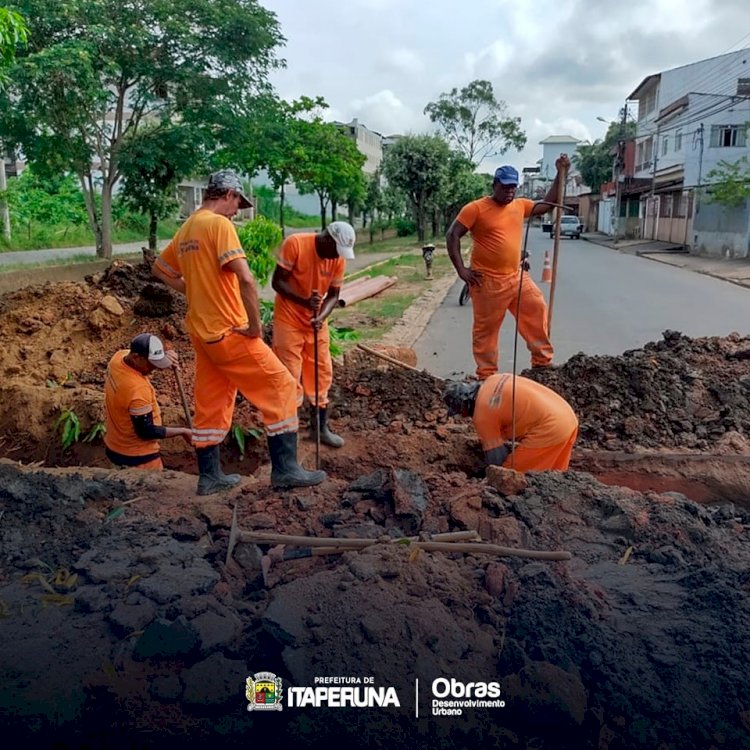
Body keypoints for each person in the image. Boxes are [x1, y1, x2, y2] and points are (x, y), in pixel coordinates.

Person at [152, 169, 326, 494]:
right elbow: (246, 279)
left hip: (203, 336)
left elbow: (160, 269)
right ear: (228, 194)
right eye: (237, 203)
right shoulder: (219, 224)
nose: (237, 210)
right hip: (230, 330)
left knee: (211, 402)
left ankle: (210, 477)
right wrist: (256, 326)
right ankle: (286, 470)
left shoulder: (187, 228)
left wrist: (194, 291)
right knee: (283, 388)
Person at [446, 154, 571, 379]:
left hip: (516, 276)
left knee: (536, 308)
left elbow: (548, 205)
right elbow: (452, 234)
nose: (509, 192)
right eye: (505, 187)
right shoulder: (475, 208)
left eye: (513, 187)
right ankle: (486, 374)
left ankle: (541, 362)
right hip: (488, 282)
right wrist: (462, 270)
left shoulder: (520, 205)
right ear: (494, 185)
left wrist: (561, 173)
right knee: (486, 330)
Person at [271, 221, 355, 449]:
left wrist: (320, 316)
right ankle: (289, 434)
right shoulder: (296, 244)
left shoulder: (337, 258)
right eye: (335, 250)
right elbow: (277, 282)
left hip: (315, 323)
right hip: (289, 319)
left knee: (321, 372)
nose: (336, 257)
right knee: (289, 374)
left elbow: (334, 295)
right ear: (327, 238)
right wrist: (304, 301)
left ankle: (319, 428)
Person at [443, 373, 578, 473]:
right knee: (556, 474)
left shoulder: (482, 415)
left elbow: (496, 458)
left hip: (552, 428)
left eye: (461, 413)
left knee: (513, 474)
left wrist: (491, 479)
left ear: (464, 406)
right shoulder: (493, 379)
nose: (464, 416)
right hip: (567, 417)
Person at [103, 333, 192, 470]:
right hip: (138, 458)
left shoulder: (118, 358)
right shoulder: (137, 389)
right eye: (151, 364)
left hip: (114, 447)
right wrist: (183, 431)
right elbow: (146, 431)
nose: (154, 368)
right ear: (136, 357)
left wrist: (165, 358)